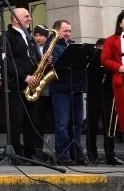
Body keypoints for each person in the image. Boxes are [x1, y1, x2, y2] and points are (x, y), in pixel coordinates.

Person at [0, 7, 38, 164]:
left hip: (31, 84)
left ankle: (30, 152)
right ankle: (16, 154)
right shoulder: (6, 37)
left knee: (31, 119)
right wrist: (23, 76)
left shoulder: (28, 37)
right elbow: (5, 61)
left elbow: (30, 58)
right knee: (16, 119)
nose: (30, 19)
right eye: (26, 16)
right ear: (15, 19)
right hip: (15, 84)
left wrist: (42, 62)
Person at [49, 19, 86, 165]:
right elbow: (54, 65)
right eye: (65, 31)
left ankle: (77, 154)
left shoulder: (73, 46)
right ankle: (62, 155)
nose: (68, 34)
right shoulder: (51, 46)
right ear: (57, 32)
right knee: (62, 123)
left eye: (70, 31)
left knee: (77, 123)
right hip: (60, 89)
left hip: (75, 87)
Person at [86, 38, 123, 165]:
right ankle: (92, 154)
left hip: (108, 96)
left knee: (110, 127)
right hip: (94, 96)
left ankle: (110, 154)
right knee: (92, 125)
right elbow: (89, 76)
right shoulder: (92, 60)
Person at [30, 25, 54, 162]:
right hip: (37, 89)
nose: (38, 38)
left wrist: (51, 61)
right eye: (36, 35)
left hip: (50, 88)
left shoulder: (51, 48)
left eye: (41, 35)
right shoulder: (32, 48)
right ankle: (37, 149)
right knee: (37, 121)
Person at [101, 11, 124, 155]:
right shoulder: (111, 40)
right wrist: (119, 67)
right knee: (116, 116)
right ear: (120, 24)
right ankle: (110, 153)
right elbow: (105, 59)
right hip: (119, 80)